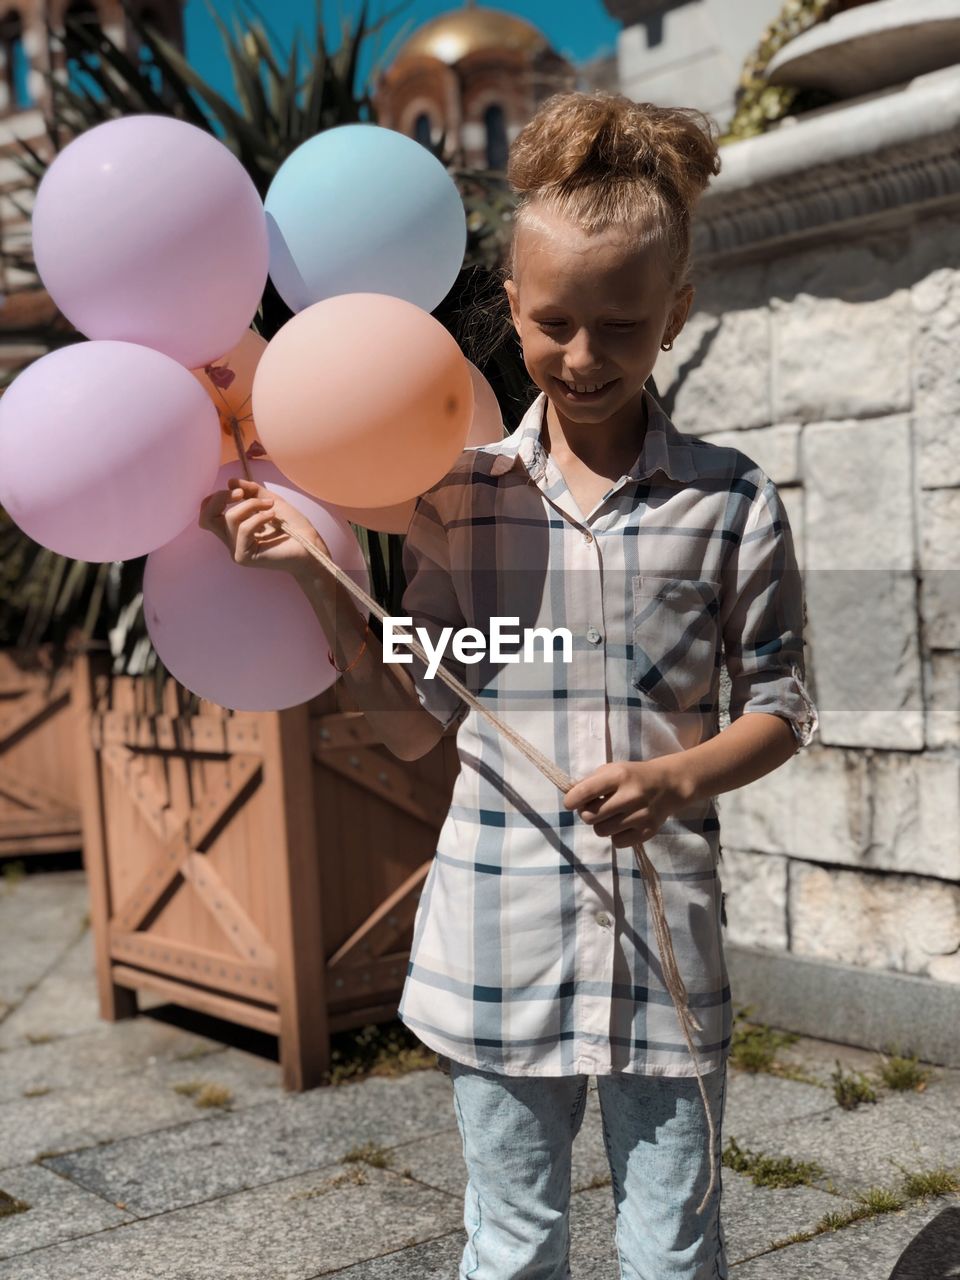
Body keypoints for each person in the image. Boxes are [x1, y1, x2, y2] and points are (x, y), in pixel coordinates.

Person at [199, 91, 818, 1280]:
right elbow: (414, 721)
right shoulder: (462, 496)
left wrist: (679, 772)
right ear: (509, 311)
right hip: (495, 941)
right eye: (554, 321)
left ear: (675, 314)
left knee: (674, 1249)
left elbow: (783, 704)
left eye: (623, 326)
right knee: (514, 1242)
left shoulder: (731, 501)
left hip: (663, 952)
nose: (585, 356)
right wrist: (321, 577)